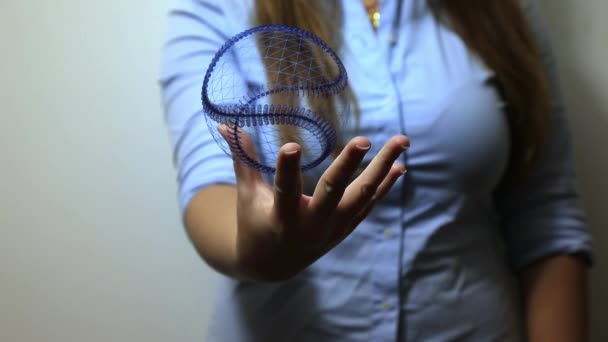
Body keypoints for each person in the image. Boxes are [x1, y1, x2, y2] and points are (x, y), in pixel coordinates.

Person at [160, 0, 593, 341]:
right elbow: (208, 186)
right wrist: (256, 249)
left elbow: (547, 219)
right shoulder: (221, 7)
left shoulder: (503, 11)